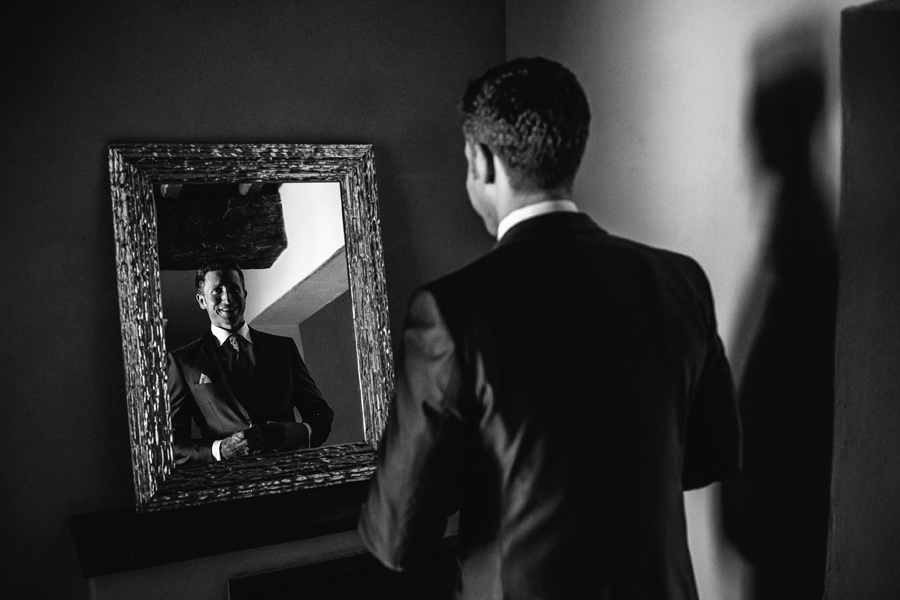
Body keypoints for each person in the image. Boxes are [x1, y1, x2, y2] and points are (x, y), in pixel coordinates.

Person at [358, 57, 741, 599]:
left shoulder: (451, 309)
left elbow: (396, 536)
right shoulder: (680, 280)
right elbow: (711, 455)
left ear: (481, 160)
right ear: (571, 151)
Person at [166, 258, 334, 467]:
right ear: (201, 301)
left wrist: (298, 432)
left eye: (234, 289)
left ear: (244, 294)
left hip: (291, 475)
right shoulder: (183, 361)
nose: (227, 299)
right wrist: (220, 450)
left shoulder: (283, 349)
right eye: (217, 291)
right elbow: (171, 445)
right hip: (228, 487)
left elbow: (321, 414)